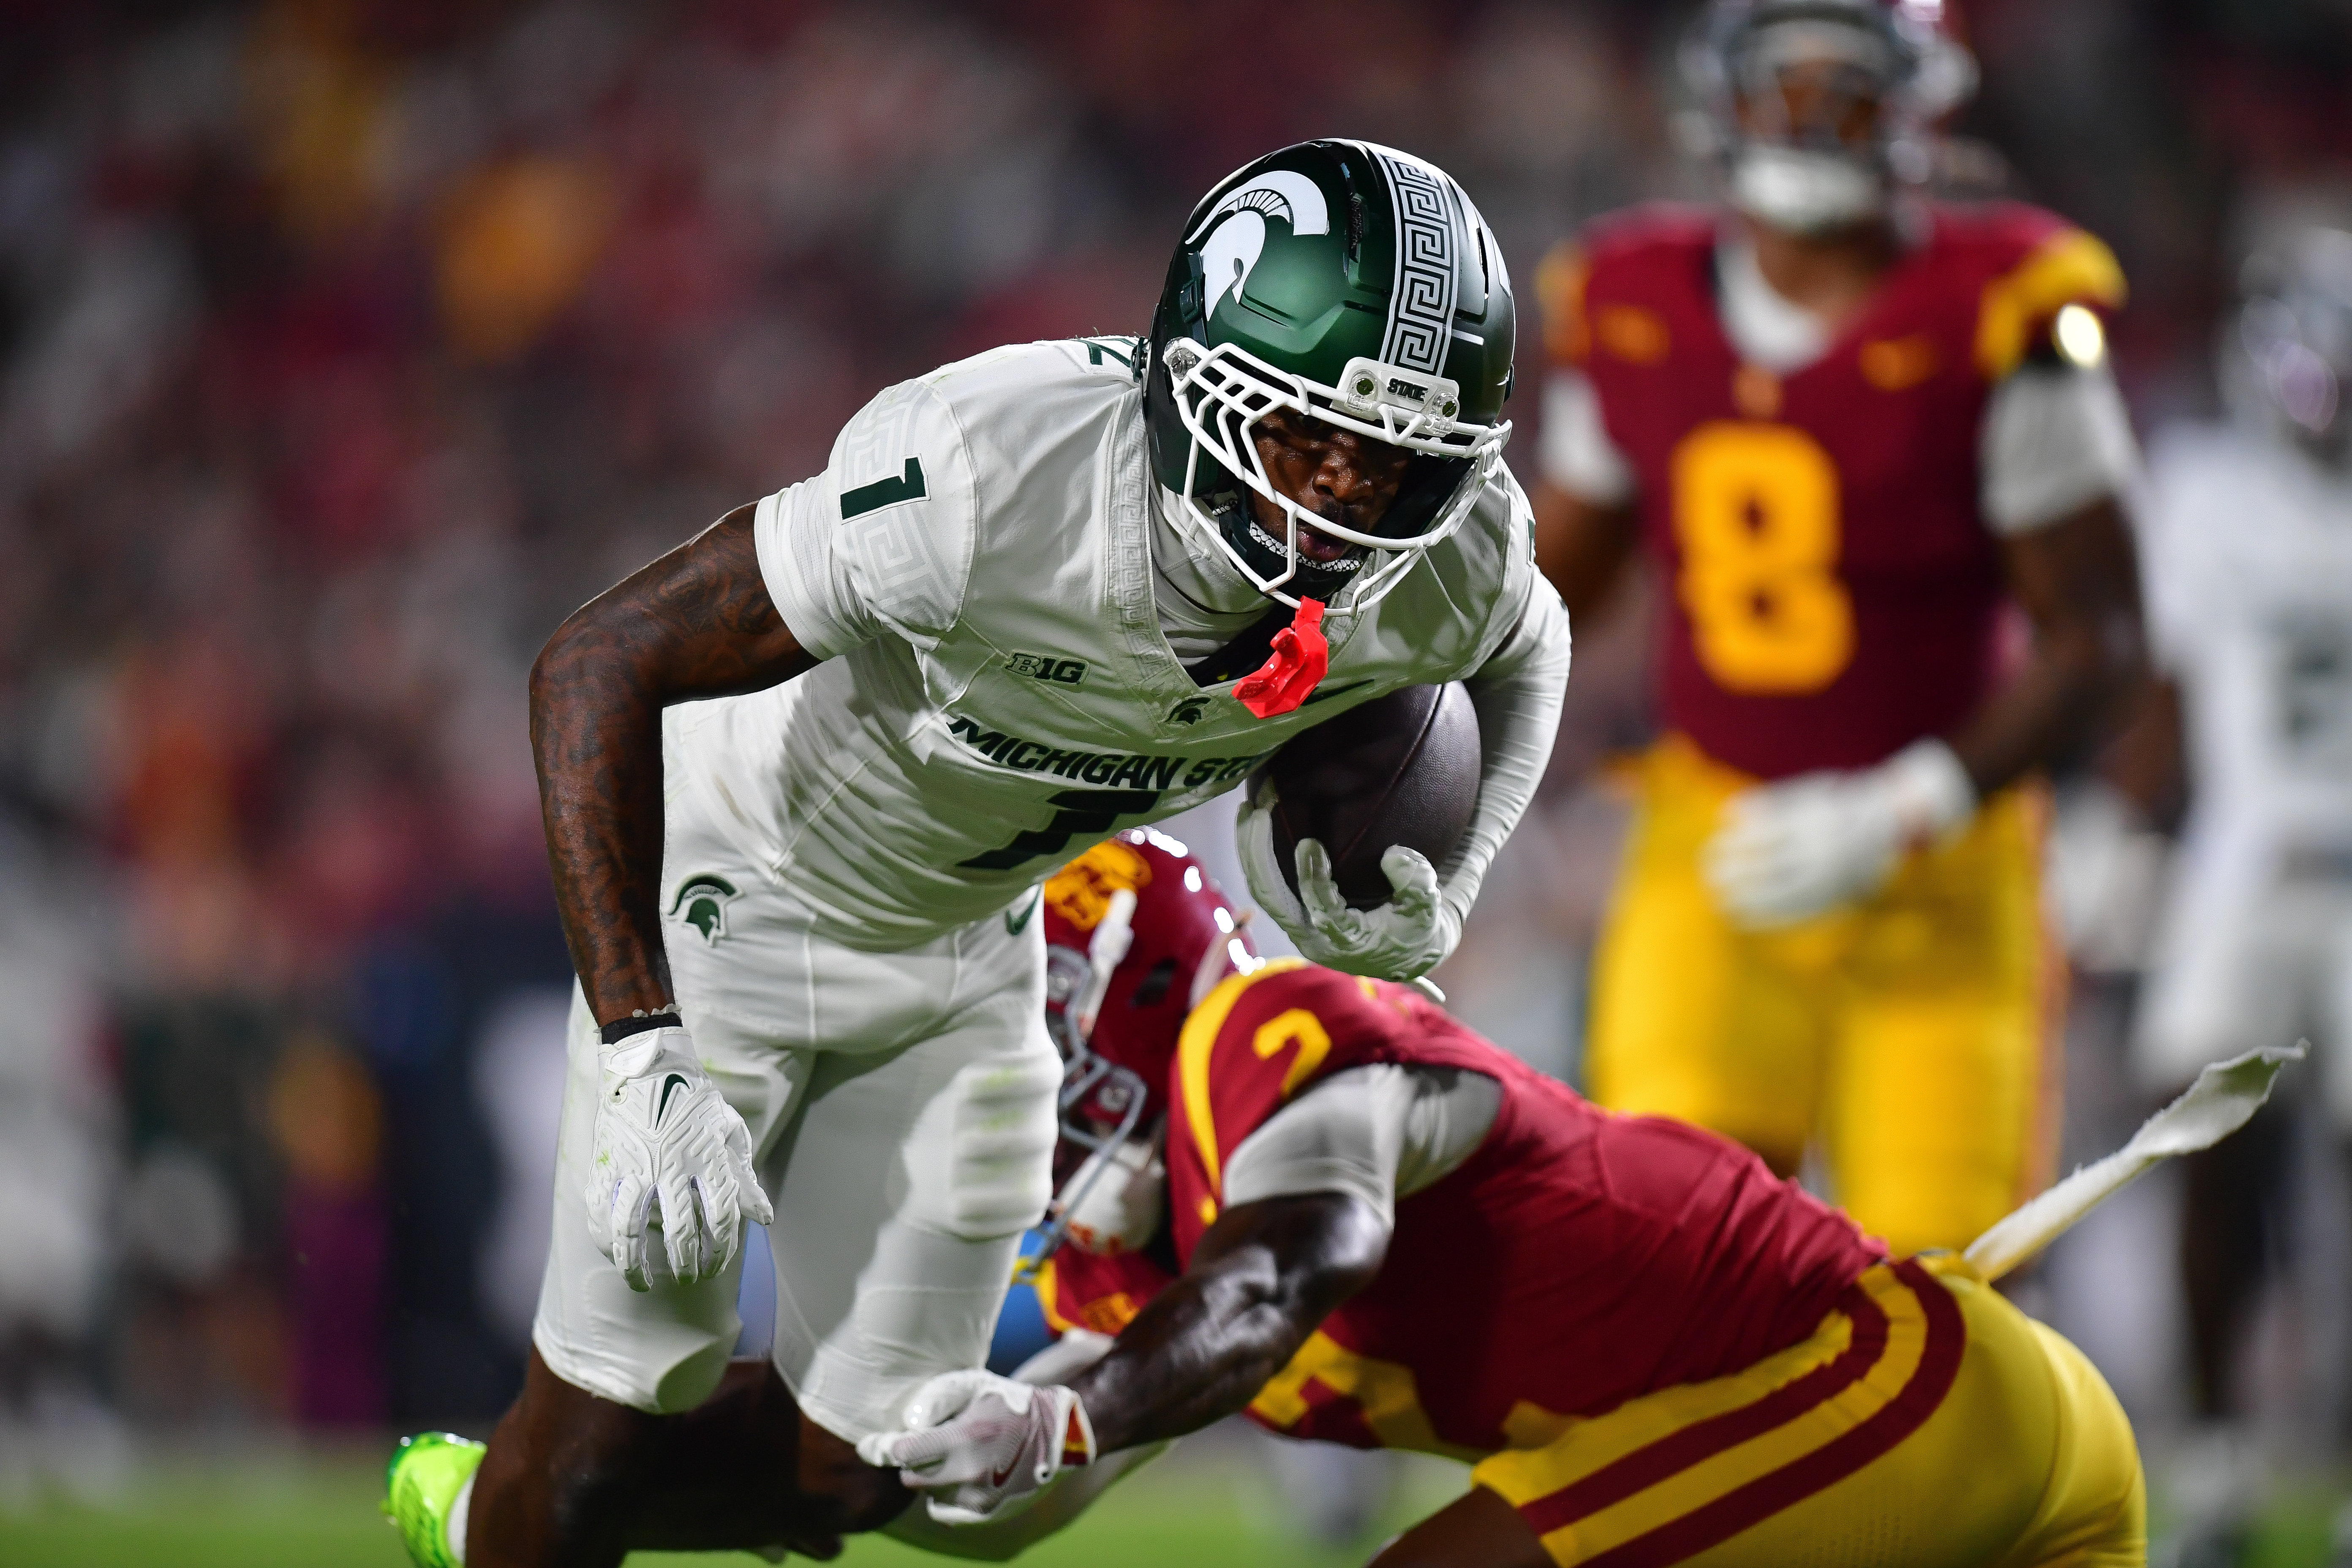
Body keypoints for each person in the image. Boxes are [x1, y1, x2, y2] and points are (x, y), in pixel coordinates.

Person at [381, 138, 1572, 1568]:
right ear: (1197, 381)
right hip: (738, 889)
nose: (1338, 503)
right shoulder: (986, 480)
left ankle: (513, 1511)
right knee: (619, 1406)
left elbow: (1534, 644)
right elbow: (597, 660)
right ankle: (485, 1518)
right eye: (1301, 440)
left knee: (873, 1465)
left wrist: (1452, 884)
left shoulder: (1447, 563)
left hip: (971, 937)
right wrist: (645, 1043)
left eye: (1390, 466)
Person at [862, 831, 2150, 1566]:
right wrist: (801, 1475)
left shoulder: (1270, 1039)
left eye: (1018, 1049)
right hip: (1880, 1453)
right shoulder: (1127, 1265)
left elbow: (1273, 1277)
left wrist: (1068, 1419)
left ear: (1133, 1000)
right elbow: (1015, 1507)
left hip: (1916, 1393)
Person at [1530, 0, 2145, 1254]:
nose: (1812, 119)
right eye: (1786, 84)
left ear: (1917, 102)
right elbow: (1547, 590)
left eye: (1848, 88)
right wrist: (1424, 726)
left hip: (1945, 860)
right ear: (1724, 96)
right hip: (1712, 834)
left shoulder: (2007, 307)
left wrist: (1907, 806)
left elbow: (2102, 639)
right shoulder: (1629, 300)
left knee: (1946, 1275)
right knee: (1668, 1243)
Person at [2128, 228, 2352, 1567]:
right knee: (2212, 1155)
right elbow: (2158, 688)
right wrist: (2122, 826)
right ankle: (2215, 1464)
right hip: (2245, 862)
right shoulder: (2209, 490)